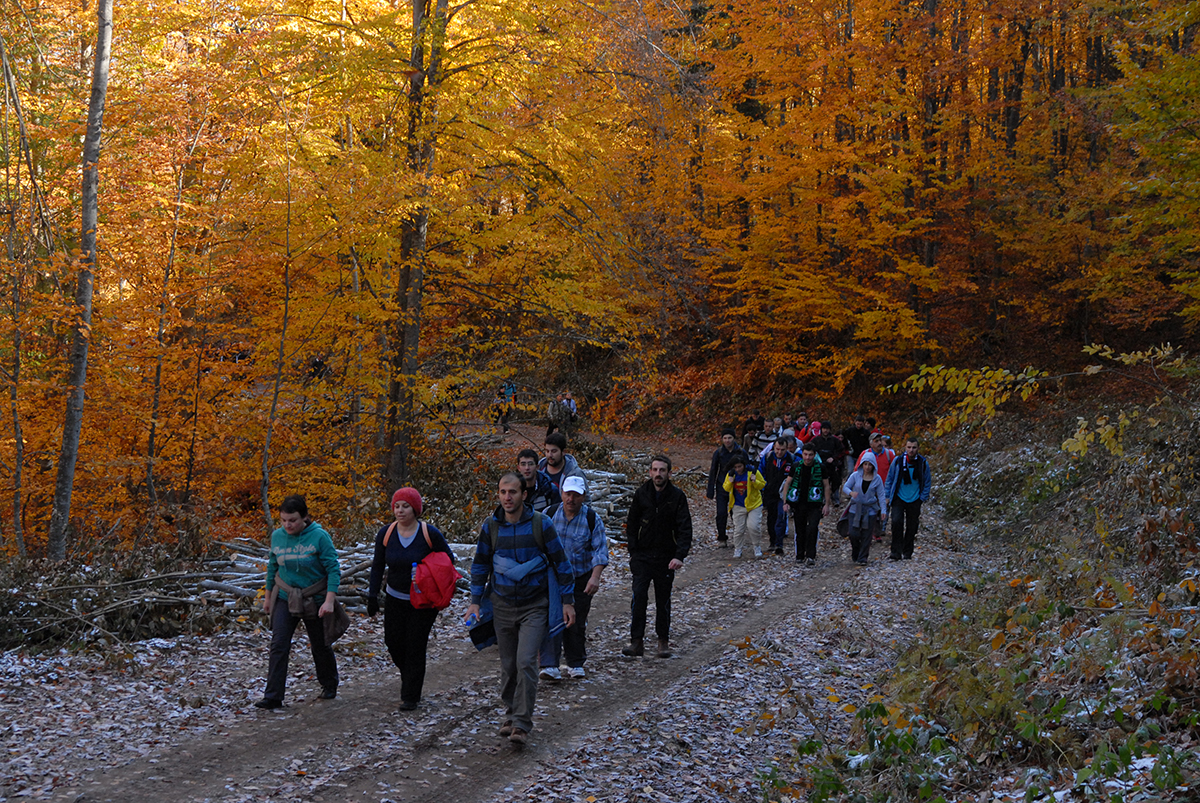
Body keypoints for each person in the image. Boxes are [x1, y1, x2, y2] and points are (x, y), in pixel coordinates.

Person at [465, 473, 576, 746]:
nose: (507, 497)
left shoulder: (541, 524)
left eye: (513, 492)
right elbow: (480, 565)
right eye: (503, 492)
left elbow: (561, 563)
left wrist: (567, 601)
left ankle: (522, 723)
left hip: (534, 606)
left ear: (524, 495)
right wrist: (475, 601)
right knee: (508, 665)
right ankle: (511, 713)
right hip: (502, 605)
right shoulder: (491, 526)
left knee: (526, 661)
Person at [366, 487, 456, 711]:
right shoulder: (386, 534)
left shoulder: (429, 533)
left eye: (405, 506)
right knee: (393, 642)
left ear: (415, 509)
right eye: (397, 506)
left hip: (423, 602)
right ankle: (410, 675)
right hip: (395, 598)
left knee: (415, 645)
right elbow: (377, 566)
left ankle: (410, 695)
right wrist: (372, 595)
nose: (400, 510)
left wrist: (428, 572)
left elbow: (448, 560)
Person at [255, 495, 341, 709]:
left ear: (304, 517)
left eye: (292, 520)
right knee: (279, 644)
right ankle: (273, 696)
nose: (288, 525)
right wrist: (268, 599)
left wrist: (329, 601)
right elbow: (272, 567)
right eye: (283, 520)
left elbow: (333, 569)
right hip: (285, 596)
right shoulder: (278, 537)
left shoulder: (319, 537)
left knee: (320, 645)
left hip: (314, 597)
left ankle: (329, 684)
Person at [538, 476, 608, 680]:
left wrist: (595, 577)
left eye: (576, 495)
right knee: (550, 618)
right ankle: (549, 664)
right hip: (552, 578)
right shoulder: (548, 515)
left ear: (583, 496)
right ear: (561, 494)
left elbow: (600, 551)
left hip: (580, 577)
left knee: (576, 620)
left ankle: (575, 662)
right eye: (568, 494)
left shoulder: (591, 519)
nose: (571, 499)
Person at [623, 455, 692, 659]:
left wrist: (680, 555)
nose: (658, 474)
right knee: (638, 598)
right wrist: (633, 552)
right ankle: (636, 641)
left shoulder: (677, 496)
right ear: (650, 472)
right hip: (642, 556)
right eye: (655, 470)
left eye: (662, 470)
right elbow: (632, 524)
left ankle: (663, 640)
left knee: (663, 600)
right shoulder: (641, 494)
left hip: (666, 557)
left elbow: (685, 528)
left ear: (669, 473)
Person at [782, 442, 831, 565]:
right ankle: (799, 554)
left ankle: (810, 555)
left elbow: (826, 486)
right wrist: (785, 501)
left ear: (814, 455)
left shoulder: (821, 467)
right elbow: (787, 483)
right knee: (800, 529)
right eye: (805, 454)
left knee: (813, 528)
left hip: (815, 503)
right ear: (802, 454)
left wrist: (827, 504)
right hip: (799, 503)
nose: (807, 458)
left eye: (810, 455)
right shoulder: (796, 466)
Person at [883, 438, 932, 561]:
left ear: (918, 448)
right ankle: (895, 553)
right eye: (909, 447)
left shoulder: (922, 463)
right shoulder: (898, 461)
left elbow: (927, 481)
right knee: (896, 523)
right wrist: (887, 496)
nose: (911, 450)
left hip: (915, 498)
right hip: (898, 497)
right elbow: (889, 479)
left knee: (912, 526)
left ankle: (907, 552)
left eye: (914, 447)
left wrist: (922, 498)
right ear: (905, 448)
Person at [843, 454, 887, 565]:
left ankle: (863, 557)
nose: (867, 467)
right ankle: (856, 551)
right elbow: (845, 487)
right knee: (853, 533)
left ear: (873, 466)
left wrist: (883, 510)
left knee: (867, 535)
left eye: (870, 465)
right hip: (855, 508)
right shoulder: (855, 476)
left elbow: (881, 495)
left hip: (870, 509)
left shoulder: (877, 479)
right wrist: (851, 493)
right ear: (862, 464)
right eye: (865, 464)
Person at [705, 429, 745, 548]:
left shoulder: (740, 452)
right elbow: (713, 470)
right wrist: (710, 489)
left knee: (736, 514)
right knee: (721, 513)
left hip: (737, 487)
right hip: (722, 486)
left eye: (729, 438)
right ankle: (722, 537)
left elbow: (748, 468)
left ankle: (738, 538)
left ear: (734, 439)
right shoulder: (719, 452)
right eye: (725, 438)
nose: (727, 440)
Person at [722, 454, 767, 558]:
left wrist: (754, 481)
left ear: (744, 465)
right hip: (738, 505)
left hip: (754, 504)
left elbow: (762, 485)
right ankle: (738, 548)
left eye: (740, 466)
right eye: (736, 467)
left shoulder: (753, 471)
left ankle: (756, 546)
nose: (738, 469)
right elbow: (726, 488)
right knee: (738, 529)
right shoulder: (731, 474)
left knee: (753, 526)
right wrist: (730, 483)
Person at [759, 436, 795, 556]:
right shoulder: (767, 457)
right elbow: (760, 473)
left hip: (783, 494)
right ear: (774, 447)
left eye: (782, 450)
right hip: (770, 492)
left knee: (781, 516)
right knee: (771, 518)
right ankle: (772, 541)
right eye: (777, 449)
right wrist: (764, 486)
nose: (779, 452)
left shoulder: (792, 459)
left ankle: (779, 544)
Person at [539, 431, 588, 500]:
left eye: (554, 451)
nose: (550, 455)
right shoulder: (538, 470)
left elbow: (586, 500)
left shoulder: (575, 473)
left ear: (563, 452)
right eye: (547, 451)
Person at [518, 448, 560, 513]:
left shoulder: (549, 489)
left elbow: (557, 514)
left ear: (537, 467)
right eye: (523, 464)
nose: (527, 468)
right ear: (518, 468)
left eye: (530, 464)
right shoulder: (513, 489)